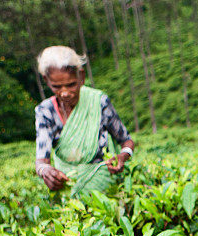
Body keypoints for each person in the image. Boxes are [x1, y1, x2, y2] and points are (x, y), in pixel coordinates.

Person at [34, 46, 135, 197]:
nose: (65, 93)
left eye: (71, 84)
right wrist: (45, 171)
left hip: (105, 189)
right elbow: (41, 161)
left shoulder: (98, 102)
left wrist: (122, 156)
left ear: (81, 76)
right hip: (68, 191)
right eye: (56, 86)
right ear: (46, 81)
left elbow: (127, 141)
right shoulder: (45, 111)